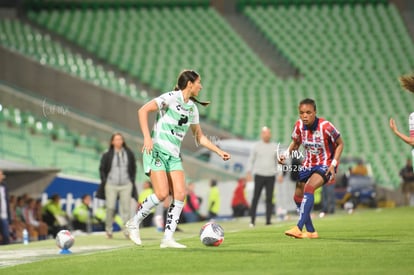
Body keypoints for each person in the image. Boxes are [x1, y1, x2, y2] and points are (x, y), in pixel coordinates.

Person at [126, 70, 231, 248]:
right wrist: (147, 138)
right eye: (199, 82)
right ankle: (133, 223)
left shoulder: (193, 108)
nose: (201, 86)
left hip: (174, 156)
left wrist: (218, 151)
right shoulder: (171, 97)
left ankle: (167, 239)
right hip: (157, 150)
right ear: (190, 84)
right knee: (161, 194)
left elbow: (199, 137)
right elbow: (143, 110)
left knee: (181, 194)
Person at [279, 98, 344, 239]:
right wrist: (285, 154)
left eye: (308, 112)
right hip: (308, 164)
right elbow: (295, 143)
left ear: (315, 112)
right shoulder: (299, 126)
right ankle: (311, 231)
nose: (305, 116)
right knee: (297, 196)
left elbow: (340, 143)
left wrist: (333, 164)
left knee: (309, 188)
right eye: (302, 113)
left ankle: (298, 227)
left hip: (325, 164)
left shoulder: (326, 126)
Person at [97, 132, 138, 239]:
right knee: (110, 207)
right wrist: (105, 180)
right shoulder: (107, 154)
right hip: (111, 184)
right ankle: (108, 230)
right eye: (116, 139)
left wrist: (131, 180)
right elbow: (102, 168)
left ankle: (127, 231)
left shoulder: (129, 153)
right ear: (112, 142)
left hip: (126, 184)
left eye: (120, 139)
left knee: (126, 209)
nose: (119, 141)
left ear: (123, 141)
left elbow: (133, 167)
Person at [246, 126, 278, 227]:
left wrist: (280, 174)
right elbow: (251, 160)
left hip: (271, 175)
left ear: (270, 134)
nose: (267, 135)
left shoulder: (274, 146)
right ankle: (252, 220)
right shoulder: (256, 146)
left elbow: (279, 162)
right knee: (255, 198)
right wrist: (248, 172)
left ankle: (268, 220)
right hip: (259, 175)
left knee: (269, 198)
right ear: (261, 134)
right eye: (265, 133)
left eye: (268, 133)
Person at [0, 170, 11, 245]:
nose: (2, 177)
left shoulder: (4, 186)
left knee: (6, 235)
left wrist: (9, 216)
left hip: (4, 214)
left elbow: (6, 201)